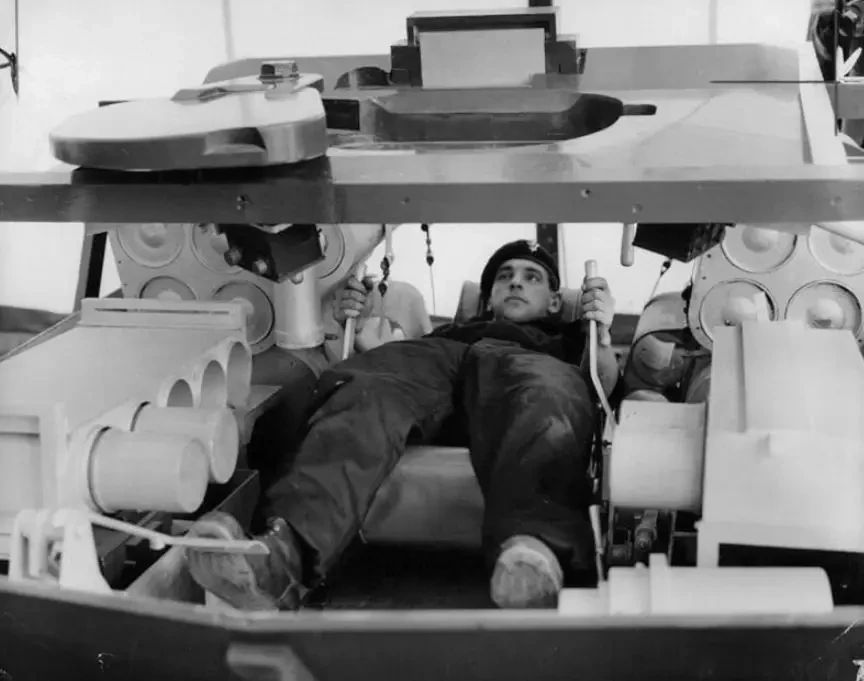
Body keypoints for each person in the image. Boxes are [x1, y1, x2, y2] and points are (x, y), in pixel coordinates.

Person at [184, 240, 621, 611]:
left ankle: (533, 555)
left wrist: (600, 333)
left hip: (525, 367)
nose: (516, 283)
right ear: (488, 298)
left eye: (531, 277)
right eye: (505, 276)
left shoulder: (567, 344)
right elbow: (375, 358)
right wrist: (354, 323)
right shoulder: (445, 334)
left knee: (546, 395)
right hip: (440, 363)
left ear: (554, 302)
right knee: (366, 387)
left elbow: (601, 382)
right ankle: (280, 558)